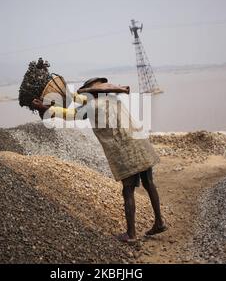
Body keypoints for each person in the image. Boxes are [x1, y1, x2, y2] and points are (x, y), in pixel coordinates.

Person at [31, 77, 166, 243]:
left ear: (92, 93)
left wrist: (43, 107)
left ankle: (131, 234)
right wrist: (67, 95)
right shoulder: (111, 99)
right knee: (149, 183)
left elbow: (71, 114)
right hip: (140, 144)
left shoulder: (93, 106)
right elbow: (80, 100)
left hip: (126, 150)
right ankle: (159, 222)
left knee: (128, 190)